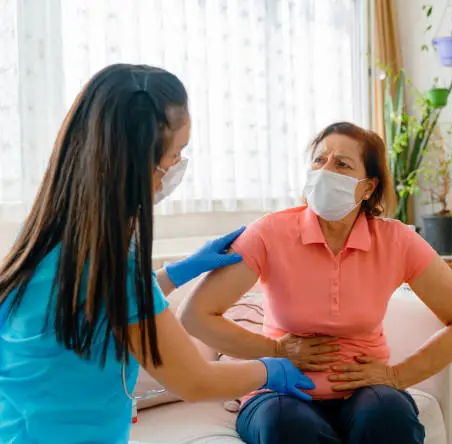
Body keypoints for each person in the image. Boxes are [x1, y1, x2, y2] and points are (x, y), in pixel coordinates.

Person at [0, 64, 313, 444]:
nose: (175, 169)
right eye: (174, 155)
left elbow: (100, 307)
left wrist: (179, 272)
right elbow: (195, 380)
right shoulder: (116, 270)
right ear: (132, 165)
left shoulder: (39, 243)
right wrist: (272, 369)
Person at [179, 122, 452, 444]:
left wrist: (398, 375)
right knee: (289, 426)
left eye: (341, 164)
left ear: (368, 187)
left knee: (389, 417)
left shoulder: (397, 241)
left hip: (364, 390)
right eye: (319, 160)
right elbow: (195, 315)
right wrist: (274, 349)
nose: (325, 170)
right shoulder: (269, 233)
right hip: (279, 391)